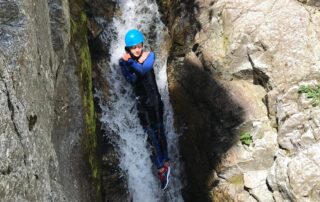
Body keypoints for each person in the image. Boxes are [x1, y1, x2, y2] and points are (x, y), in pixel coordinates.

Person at [119, 29, 170, 190]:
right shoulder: (123, 62)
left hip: (154, 100)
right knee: (150, 135)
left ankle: (165, 164)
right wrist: (133, 64)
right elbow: (131, 78)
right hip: (141, 103)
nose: (137, 50)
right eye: (133, 48)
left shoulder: (150, 55)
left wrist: (132, 63)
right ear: (128, 48)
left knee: (159, 130)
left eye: (139, 46)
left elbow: (141, 70)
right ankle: (161, 167)